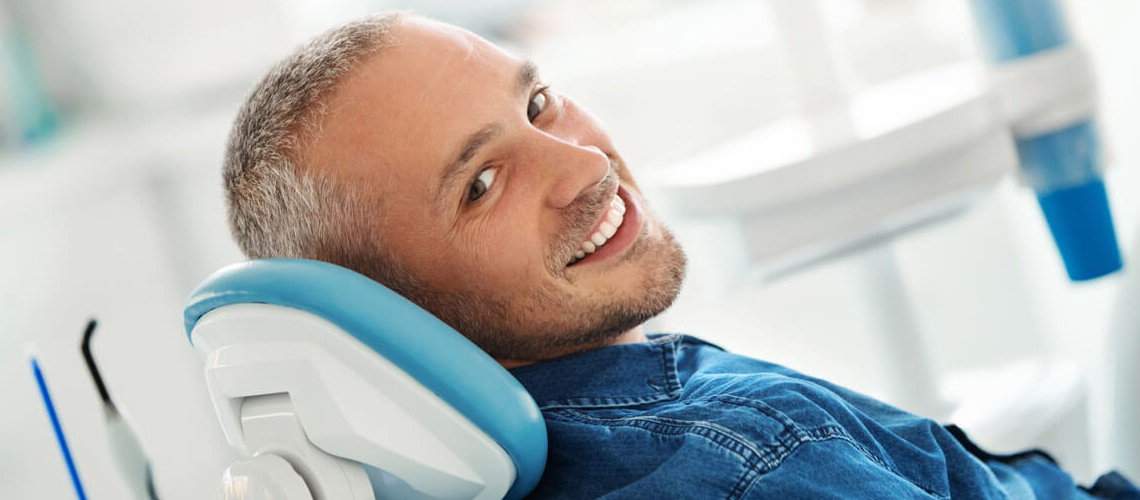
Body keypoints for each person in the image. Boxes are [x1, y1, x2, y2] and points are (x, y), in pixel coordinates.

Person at [220, 12, 1139, 499]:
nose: (582, 163)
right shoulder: (750, 466)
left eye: (538, 103)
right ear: (392, 316)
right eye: (481, 184)